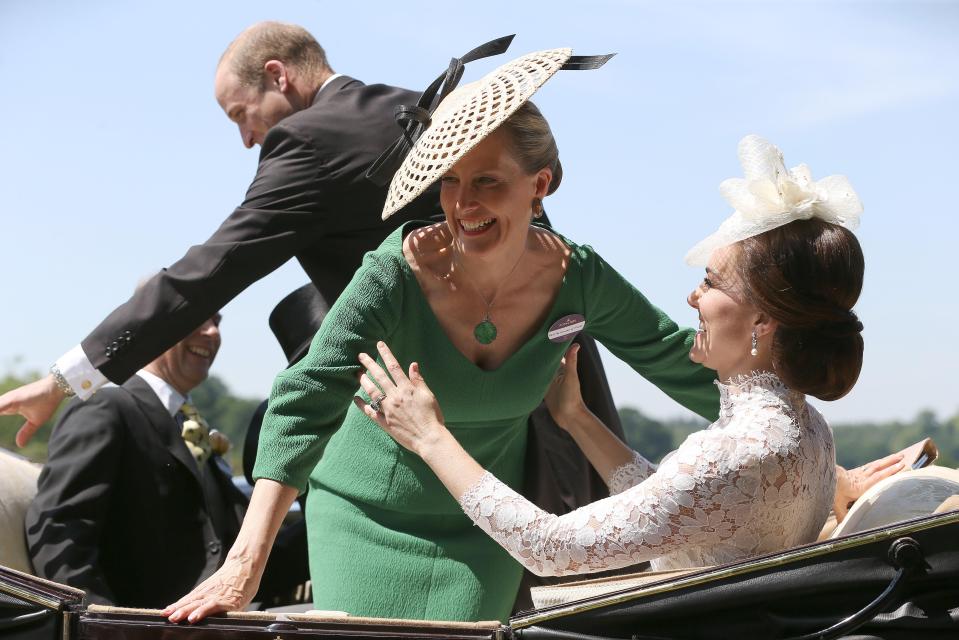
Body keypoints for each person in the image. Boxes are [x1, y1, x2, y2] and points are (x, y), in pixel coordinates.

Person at [0, 28, 630, 596]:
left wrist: (67, 378)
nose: (247, 137)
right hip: (553, 412)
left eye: (241, 115)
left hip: (433, 451)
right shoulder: (427, 105)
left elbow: (208, 271)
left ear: (279, 76)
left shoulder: (308, 140)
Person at [163, 48, 720, 625]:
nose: (463, 204)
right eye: (450, 181)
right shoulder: (395, 271)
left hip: (486, 523)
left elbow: (680, 363)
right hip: (363, 516)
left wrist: (788, 430)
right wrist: (245, 562)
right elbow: (303, 401)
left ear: (540, 185)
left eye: (486, 181)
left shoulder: (578, 277)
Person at [358, 134, 881, 579]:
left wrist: (430, 435)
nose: (693, 298)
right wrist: (578, 419)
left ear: (762, 321)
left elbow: (551, 549)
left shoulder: (739, 449)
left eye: (710, 281)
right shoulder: (807, 429)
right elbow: (680, 506)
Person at [24, 313, 248, 607]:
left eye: (217, 321)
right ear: (150, 327)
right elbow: (59, 533)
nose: (212, 332)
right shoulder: (105, 407)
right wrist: (107, 626)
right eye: (199, 317)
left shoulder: (195, 429)